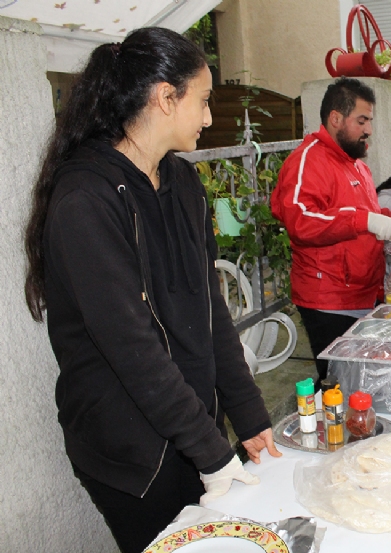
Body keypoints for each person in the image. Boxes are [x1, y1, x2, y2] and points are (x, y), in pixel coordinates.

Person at [23, 28, 280, 553]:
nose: (209, 119)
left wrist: (248, 416)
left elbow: (211, 312)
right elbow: (134, 351)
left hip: (191, 431)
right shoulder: (85, 201)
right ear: (166, 97)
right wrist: (210, 453)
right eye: (203, 101)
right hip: (133, 455)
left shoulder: (183, 183)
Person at [271, 77, 391, 386]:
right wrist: (366, 221)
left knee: (362, 385)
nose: (368, 129)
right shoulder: (308, 160)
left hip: (362, 292)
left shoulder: (356, 164)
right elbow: (301, 220)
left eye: (369, 120)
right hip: (328, 299)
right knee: (339, 387)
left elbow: (364, 212)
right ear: (335, 118)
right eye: (362, 120)